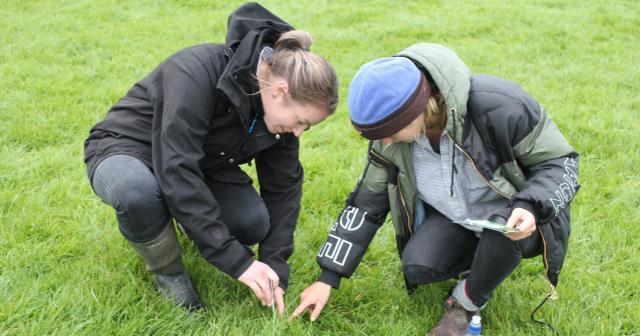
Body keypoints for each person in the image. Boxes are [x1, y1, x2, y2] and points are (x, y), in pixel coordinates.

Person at [291, 43, 579, 335]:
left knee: (501, 228)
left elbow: (561, 162)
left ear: (414, 113)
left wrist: (529, 206)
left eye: (389, 133)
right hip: (458, 217)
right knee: (418, 265)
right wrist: (328, 277)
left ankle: (464, 305)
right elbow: (366, 202)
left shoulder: (500, 105)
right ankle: (482, 263)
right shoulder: (390, 139)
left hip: (519, 218)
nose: (385, 142)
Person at [84, 2, 338, 313]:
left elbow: (283, 188)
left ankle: (186, 222)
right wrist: (239, 262)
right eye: (301, 121)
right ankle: (168, 271)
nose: (298, 132)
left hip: (203, 160)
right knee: (136, 192)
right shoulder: (196, 69)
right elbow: (177, 169)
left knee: (252, 223)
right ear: (281, 91)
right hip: (128, 147)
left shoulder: (279, 117)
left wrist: (274, 268)